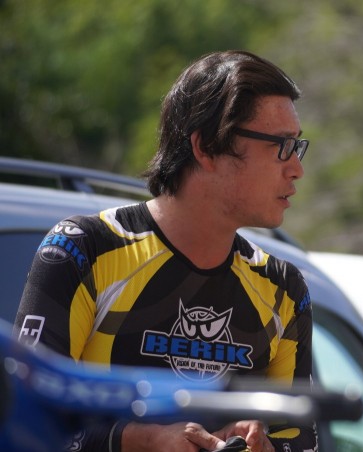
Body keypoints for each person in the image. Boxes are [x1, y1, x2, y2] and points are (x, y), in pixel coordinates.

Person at [14, 50, 315, 452]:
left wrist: (264, 446)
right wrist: (141, 441)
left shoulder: (283, 288)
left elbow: (302, 440)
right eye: (281, 146)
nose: (296, 168)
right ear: (206, 147)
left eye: (298, 146)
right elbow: (23, 419)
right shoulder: (81, 249)